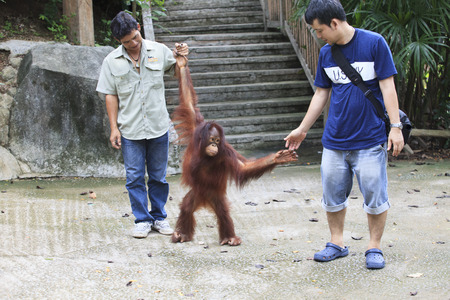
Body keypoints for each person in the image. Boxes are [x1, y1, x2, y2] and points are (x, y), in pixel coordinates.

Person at [284, 0, 404, 269]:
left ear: (334, 23)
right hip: (335, 140)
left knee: (374, 193)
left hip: (370, 138)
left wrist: (395, 127)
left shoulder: (374, 43)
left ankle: (374, 247)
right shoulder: (327, 54)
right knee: (332, 194)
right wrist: (302, 129)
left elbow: (388, 87)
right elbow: (321, 93)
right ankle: (337, 242)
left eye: (318, 30)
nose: (318, 36)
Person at [96, 11, 188, 238]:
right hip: (130, 130)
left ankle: (159, 217)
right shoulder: (111, 61)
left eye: (135, 37)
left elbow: (177, 72)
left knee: (158, 176)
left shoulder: (159, 50)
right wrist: (114, 127)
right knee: (134, 178)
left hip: (158, 126)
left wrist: (182, 60)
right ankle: (142, 220)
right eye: (126, 42)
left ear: (138, 27)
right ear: (119, 41)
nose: (133, 44)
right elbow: (110, 95)